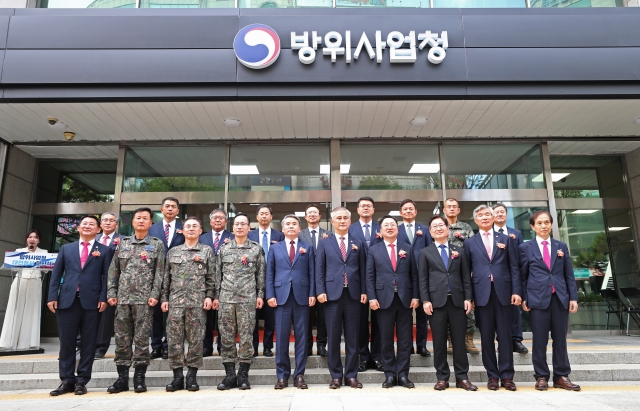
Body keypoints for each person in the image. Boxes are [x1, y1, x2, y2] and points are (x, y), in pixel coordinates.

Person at [47, 216, 112, 396]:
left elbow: (106, 276)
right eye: (85, 223)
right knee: (66, 342)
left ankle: (82, 379)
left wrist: (104, 297)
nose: (88, 226)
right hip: (67, 299)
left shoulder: (105, 250)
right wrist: (52, 296)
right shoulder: (66, 249)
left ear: (98, 229)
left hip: (92, 301)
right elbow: (57, 273)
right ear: (78, 228)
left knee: (89, 342)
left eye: (92, 224)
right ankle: (66, 380)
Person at [106, 207, 165, 394]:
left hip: (144, 300)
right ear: (132, 222)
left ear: (150, 223)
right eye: (138, 218)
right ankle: (122, 378)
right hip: (122, 299)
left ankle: (139, 378)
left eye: (145, 218)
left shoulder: (157, 244)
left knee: (141, 339)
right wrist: (111, 292)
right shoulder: (122, 244)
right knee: (122, 339)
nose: (141, 221)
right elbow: (113, 270)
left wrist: (155, 294)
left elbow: (160, 273)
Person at [519, 210, 580, 391]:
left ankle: (561, 376)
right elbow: (523, 276)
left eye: (546, 222)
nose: (543, 226)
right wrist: (524, 297)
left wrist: (573, 297)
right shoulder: (525, 248)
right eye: (539, 223)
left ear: (551, 224)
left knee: (560, 338)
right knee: (539, 340)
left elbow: (569, 274)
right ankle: (541, 376)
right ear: (533, 226)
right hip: (537, 299)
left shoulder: (561, 246)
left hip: (560, 297)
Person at [464, 205, 521, 391]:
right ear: (476, 220)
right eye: (480, 215)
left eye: (487, 214)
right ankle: (492, 376)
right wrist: (469, 297)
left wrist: (516, 291)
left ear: (493, 217)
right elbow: (466, 272)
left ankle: (507, 376)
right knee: (486, 337)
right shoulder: (470, 243)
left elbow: (514, 267)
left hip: (504, 292)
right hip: (482, 295)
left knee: (505, 336)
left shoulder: (506, 239)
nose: (485, 217)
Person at [419, 215, 476, 391]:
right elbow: (423, 279)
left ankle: (462, 377)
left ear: (447, 228)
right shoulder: (425, 252)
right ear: (430, 231)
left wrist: (468, 298)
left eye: (441, 225)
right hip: (436, 302)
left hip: (458, 301)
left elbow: (466, 277)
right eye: (434, 226)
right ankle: (442, 377)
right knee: (439, 340)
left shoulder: (459, 250)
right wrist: (426, 300)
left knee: (459, 340)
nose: (438, 228)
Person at [162, 216, 215, 392]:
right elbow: (165, 279)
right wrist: (164, 299)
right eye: (188, 226)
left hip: (198, 303)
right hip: (176, 303)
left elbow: (211, 277)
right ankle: (177, 377)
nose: (191, 229)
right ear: (182, 231)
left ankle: (192, 376)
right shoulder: (173, 252)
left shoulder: (207, 251)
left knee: (196, 341)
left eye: (195, 226)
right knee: (174, 341)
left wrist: (209, 296)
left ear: (201, 231)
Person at [214, 213, 266, 391]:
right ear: (233, 227)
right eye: (237, 224)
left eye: (243, 224)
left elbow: (261, 274)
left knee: (246, 338)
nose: (240, 227)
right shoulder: (224, 249)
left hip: (247, 300)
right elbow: (217, 275)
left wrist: (260, 295)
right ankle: (229, 375)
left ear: (249, 227)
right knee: (226, 338)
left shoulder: (256, 249)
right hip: (226, 299)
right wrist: (216, 297)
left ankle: (243, 375)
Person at [316, 206, 366, 389]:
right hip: (331, 295)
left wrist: (364, 291)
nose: (342, 220)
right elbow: (319, 269)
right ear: (332, 221)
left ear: (350, 221)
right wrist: (320, 290)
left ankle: (351, 375)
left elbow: (363, 268)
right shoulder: (325, 243)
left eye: (345, 217)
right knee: (333, 336)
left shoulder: (358, 242)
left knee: (353, 337)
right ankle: (336, 375)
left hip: (353, 295)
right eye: (339, 218)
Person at [366, 215, 419, 389]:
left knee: (405, 339)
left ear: (398, 229)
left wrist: (415, 296)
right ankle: (389, 374)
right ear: (380, 230)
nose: (389, 227)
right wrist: (372, 297)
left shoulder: (407, 248)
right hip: (382, 300)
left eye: (393, 225)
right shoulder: (374, 250)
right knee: (386, 338)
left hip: (404, 299)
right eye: (386, 225)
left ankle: (403, 374)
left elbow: (414, 275)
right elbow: (370, 276)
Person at [266, 214, 315, 389]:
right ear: (283, 229)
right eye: (288, 224)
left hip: (302, 296)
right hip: (281, 297)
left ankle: (299, 375)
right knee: (282, 338)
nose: (291, 226)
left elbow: (312, 272)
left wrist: (312, 293)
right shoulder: (275, 248)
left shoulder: (307, 248)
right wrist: (270, 294)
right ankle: (282, 376)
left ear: (299, 228)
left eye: (294, 224)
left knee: (302, 338)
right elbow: (269, 273)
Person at [348, 196, 384, 372]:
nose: (366, 208)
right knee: (360, 322)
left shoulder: (381, 227)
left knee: (379, 321)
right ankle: (362, 356)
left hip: (380, 280)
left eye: (369, 206)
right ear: (357, 209)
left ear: (373, 209)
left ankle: (377, 356)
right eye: (362, 206)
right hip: (358, 281)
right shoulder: (350, 228)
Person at [148, 196, 185, 360]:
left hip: (177, 277)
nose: (170, 209)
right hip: (155, 275)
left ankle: (168, 345)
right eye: (167, 206)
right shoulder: (151, 228)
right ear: (162, 209)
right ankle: (155, 345)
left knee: (173, 314)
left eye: (173, 207)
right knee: (155, 312)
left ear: (178, 211)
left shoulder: (184, 228)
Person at [397, 199, 432, 357]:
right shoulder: (396, 230)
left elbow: (430, 251)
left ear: (416, 212)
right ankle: (407, 345)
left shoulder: (424, 230)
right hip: (403, 276)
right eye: (405, 209)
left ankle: (421, 345)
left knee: (422, 314)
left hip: (422, 276)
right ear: (401, 213)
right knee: (404, 315)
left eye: (411, 209)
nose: (408, 211)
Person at [0, 230, 47, 351]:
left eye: (35, 237)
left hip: (35, 281)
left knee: (32, 310)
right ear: (27, 239)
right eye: (30, 237)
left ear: (39, 240)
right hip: (20, 280)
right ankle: (8, 341)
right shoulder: (19, 252)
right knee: (15, 309)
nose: (32, 239)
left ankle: (28, 342)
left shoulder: (44, 252)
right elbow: (13, 267)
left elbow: (47, 269)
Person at [491, 202, 528, 355]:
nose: (499, 214)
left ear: (507, 215)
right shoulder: (488, 234)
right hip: (495, 278)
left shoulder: (516, 233)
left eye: (502, 212)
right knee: (497, 312)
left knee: (514, 309)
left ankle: (516, 339)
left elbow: (520, 257)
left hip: (513, 276)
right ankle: (502, 340)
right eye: (496, 212)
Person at [444, 198, 479, 354]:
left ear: (458, 210)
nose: (451, 209)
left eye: (454, 207)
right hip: (445, 274)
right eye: (448, 207)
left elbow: (473, 248)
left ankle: (469, 339)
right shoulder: (439, 226)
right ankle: (451, 341)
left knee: (468, 308)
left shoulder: (466, 227)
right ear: (443, 210)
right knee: (447, 307)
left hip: (463, 272)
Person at [248, 204, 284, 357]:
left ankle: (268, 346)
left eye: (266, 214)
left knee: (270, 316)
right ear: (257, 217)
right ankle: (254, 347)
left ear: (271, 217)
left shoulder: (279, 235)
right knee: (253, 316)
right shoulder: (250, 235)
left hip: (273, 280)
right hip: (253, 280)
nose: (264, 216)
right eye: (261, 214)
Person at [199, 208, 234, 357]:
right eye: (215, 218)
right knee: (205, 317)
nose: (218, 220)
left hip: (226, 282)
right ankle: (206, 347)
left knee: (223, 318)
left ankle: (222, 346)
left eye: (221, 218)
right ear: (210, 221)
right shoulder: (202, 237)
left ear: (226, 222)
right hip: (204, 281)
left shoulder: (232, 237)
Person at [299, 203, 330, 357]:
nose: (312, 215)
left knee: (323, 315)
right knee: (307, 315)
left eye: (315, 213)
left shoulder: (328, 234)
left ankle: (322, 345)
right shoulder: (299, 235)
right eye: (309, 213)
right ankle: (308, 345)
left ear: (320, 217)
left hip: (325, 281)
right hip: (306, 280)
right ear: (305, 217)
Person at [94, 212, 121, 359]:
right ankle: (84, 345)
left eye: (112, 221)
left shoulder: (123, 240)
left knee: (106, 316)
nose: (108, 223)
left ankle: (101, 347)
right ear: (101, 223)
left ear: (116, 224)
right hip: (92, 282)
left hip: (112, 282)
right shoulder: (93, 239)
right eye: (105, 220)